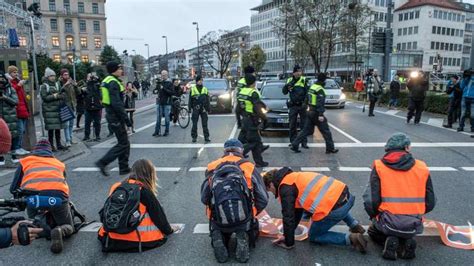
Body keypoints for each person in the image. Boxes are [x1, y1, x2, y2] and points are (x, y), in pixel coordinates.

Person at [363, 133, 435, 260]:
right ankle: (405, 241)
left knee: (372, 231)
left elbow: (371, 200)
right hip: (414, 222)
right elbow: (430, 201)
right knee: (405, 229)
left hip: (388, 221)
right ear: (407, 148)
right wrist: (418, 213)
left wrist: (374, 216)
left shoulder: (379, 166)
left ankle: (391, 240)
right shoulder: (422, 167)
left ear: (388, 149)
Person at [262, 168, 367, 253]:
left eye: (269, 190)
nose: (272, 192)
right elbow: (296, 212)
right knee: (332, 201)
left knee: (314, 236)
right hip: (347, 197)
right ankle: (354, 225)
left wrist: (289, 242)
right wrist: (287, 235)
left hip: (335, 210)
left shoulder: (285, 188)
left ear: (271, 184)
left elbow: (289, 217)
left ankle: (352, 238)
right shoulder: (294, 177)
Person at [201, 139, 269, 263]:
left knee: (219, 222)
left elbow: (204, 197)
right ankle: (242, 234)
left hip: (218, 218)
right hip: (243, 217)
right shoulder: (249, 167)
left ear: (225, 151)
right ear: (241, 151)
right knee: (245, 223)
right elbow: (263, 198)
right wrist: (253, 212)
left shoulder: (212, 166)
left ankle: (219, 235)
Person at [98, 159, 178, 252]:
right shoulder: (144, 191)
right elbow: (159, 217)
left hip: (111, 239)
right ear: (150, 175)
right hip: (138, 240)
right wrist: (170, 230)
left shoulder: (116, 187)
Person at [10, 139, 75, 253]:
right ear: (50, 152)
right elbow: (63, 180)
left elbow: (13, 187)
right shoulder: (59, 163)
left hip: (34, 197)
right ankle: (60, 229)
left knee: (33, 223)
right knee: (68, 226)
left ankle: (39, 229)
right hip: (58, 197)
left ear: (35, 151)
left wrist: (19, 199)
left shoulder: (25, 161)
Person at [95, 61, 132, 176]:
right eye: (120, 68)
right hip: (115, 116)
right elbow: (117, 104)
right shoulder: (113, 82)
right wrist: (127, 120)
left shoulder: (107, 80)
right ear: (114, 70)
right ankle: (103, 162)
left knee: (124, 142)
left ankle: (124, 167)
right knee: (123, 144)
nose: (121, 70)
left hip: (112, 115)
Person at [290, 73, 338, 154]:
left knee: (305, 131)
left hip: (310, 112)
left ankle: (295, 144)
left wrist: (305, 107)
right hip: (316, 113)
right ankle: (330, 148)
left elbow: (306, 98)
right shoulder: (320, 89)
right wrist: (321, 114)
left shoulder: (312, 87)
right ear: (324, 80)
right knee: (326, 131)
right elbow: (320, 103)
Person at [237, 74, 269, 167]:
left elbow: (238, 108)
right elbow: (258, 108)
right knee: (253, 142)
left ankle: (259, 162)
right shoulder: (253, 93)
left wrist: (239, 120)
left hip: (245, 119)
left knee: (257, 142)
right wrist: (265, 119)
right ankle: (238, 155)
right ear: (253, 83)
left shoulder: (242, 91)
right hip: (251, 120)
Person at [40, 68, 67, 151]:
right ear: (47, 76)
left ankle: (59, 144)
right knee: (51, 130)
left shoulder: (57, 84)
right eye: (51, 76)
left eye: (54, 76)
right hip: (49, 111)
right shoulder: (44, 86)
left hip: (57, 110)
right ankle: (51, 146)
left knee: (58, 128)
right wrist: (54, 96)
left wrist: (61, 95)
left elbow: (61, 94)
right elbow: (44, 98)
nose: (53, 77)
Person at [283, 65, 309, 149]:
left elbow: (307, 93)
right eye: (297, 71)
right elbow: (284, 92)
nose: (298, 73)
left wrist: (305, 103)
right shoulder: (290, 80)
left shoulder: (304, 80)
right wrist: (290, 84)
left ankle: (304, 142)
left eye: (300, 71)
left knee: (304, 125)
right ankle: (293, 142)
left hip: (302, 105)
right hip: (293, 106)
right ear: (293, 73)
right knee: (292, 125)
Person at [7, 66, 30, 156]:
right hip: (17, 110)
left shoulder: (17, 82)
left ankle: (19, 147)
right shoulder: (10, 83)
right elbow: (11, 93)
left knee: (22, 130)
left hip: (23, 109)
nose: (16, 74)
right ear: (9, 74)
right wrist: (18, 86)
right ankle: (16, 148)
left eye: (16, 72)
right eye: (13, 72)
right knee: (19, 130)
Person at [58, 69, 80, 147]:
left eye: (67, 74)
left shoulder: (71, 83)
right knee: (66, 125)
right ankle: (67, 141)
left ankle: (70, 138)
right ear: (61, 75)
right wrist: (65, 85)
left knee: (71, 124)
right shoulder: (59, 83)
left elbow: (78, 93)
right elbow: (58, 93)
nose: (66, 76)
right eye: (65, 75)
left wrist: (76, 86)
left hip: (73, 105)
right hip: (64, 106)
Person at [0, 72, 19, 157]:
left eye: (2, 79)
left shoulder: (10, 89)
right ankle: (1, 157)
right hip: (1, 119)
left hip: (10, 117)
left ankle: (13, 155)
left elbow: (15, 102)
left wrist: (4, 97)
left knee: (13, 136)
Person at [189, 75, 211, 143]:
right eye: (199, 80)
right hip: (196, 108)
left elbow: (208, 100)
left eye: (201, 80)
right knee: (194, 124)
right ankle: (194, 137)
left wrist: (208, 108)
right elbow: (190, 100)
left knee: (205, 124)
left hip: (203, 108)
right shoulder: (193, 89)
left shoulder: (205, 89)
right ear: (196, 81)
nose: (200, 82)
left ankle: (206, 137)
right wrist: (190, 108)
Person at [153, 70, 175, 137]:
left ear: (167, 75)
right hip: (159, 102)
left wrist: (164, 88)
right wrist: (155, 91)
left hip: (167, 103)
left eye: (164, 75)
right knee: (158, 117)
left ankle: (166, 131)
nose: (163, 76)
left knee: (167, 117)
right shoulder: (160, 83)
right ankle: (157, 131)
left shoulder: (170, 83)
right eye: (162, 75)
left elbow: (171, 93)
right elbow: (155, 90)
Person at [83, 73, 103, 141]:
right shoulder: (85, 85)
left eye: (91, 77)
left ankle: (97, 136)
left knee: (97, 122)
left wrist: (97, 78)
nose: (91, 78)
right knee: (87, 122)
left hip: (96, 106)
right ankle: (86, 136)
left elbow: (101, 85)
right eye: (89, 77)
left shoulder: (97, 84)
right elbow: (80, 93)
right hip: (88, 106)